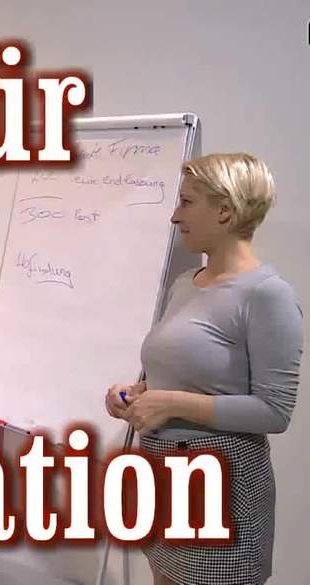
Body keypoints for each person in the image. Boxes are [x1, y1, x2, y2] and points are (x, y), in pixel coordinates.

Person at [104, 153, 303, 585]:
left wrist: (172, 403)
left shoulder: (267, 295)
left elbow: (275, 411)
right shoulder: (186, 283)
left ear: (225, 211)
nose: (175, 216)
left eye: (187, 202)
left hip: (222, 481)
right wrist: (136, 394)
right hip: (162, 471)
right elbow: (173, 371)